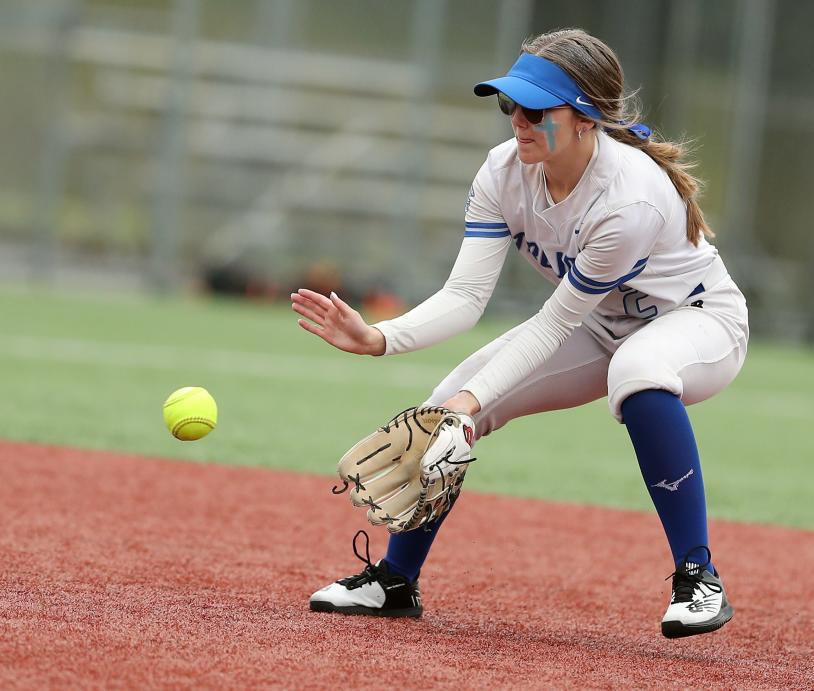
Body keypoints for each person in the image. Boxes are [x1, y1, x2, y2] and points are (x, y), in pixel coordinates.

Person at [290, 28, 748, 639]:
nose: (518, 121)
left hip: (698, 322)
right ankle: (396, 582)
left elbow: (555, 320)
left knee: (636, 374)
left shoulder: (629, 199)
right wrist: (380, 337)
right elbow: (464, 296)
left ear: (586, 118)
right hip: (601, 323)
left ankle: (699, 575)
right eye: (509, 105)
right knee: (443, 405)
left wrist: (472, 406)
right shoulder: (504, 173)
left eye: (536, 110)